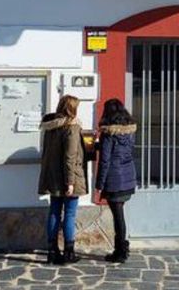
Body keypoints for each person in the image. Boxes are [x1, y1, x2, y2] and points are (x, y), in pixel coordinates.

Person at [38, 94, 86, 265]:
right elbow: (70, 157)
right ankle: (69, 252)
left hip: (52, 177)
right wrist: (71, 182)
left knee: (54, 212)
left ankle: (52, 252)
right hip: (67, 178)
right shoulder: (71, 128)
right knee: (70, 215)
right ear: (72, 108)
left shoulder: (51, 127)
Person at [93, 98, 138, 264]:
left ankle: (121, 250)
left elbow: (105, 161)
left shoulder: (108, 134)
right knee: (120, 214)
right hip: (128, 176)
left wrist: (99, 185)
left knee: (118, 216)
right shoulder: (129, 132)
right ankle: (122, 247)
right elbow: (122, 151)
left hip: (114, 178)